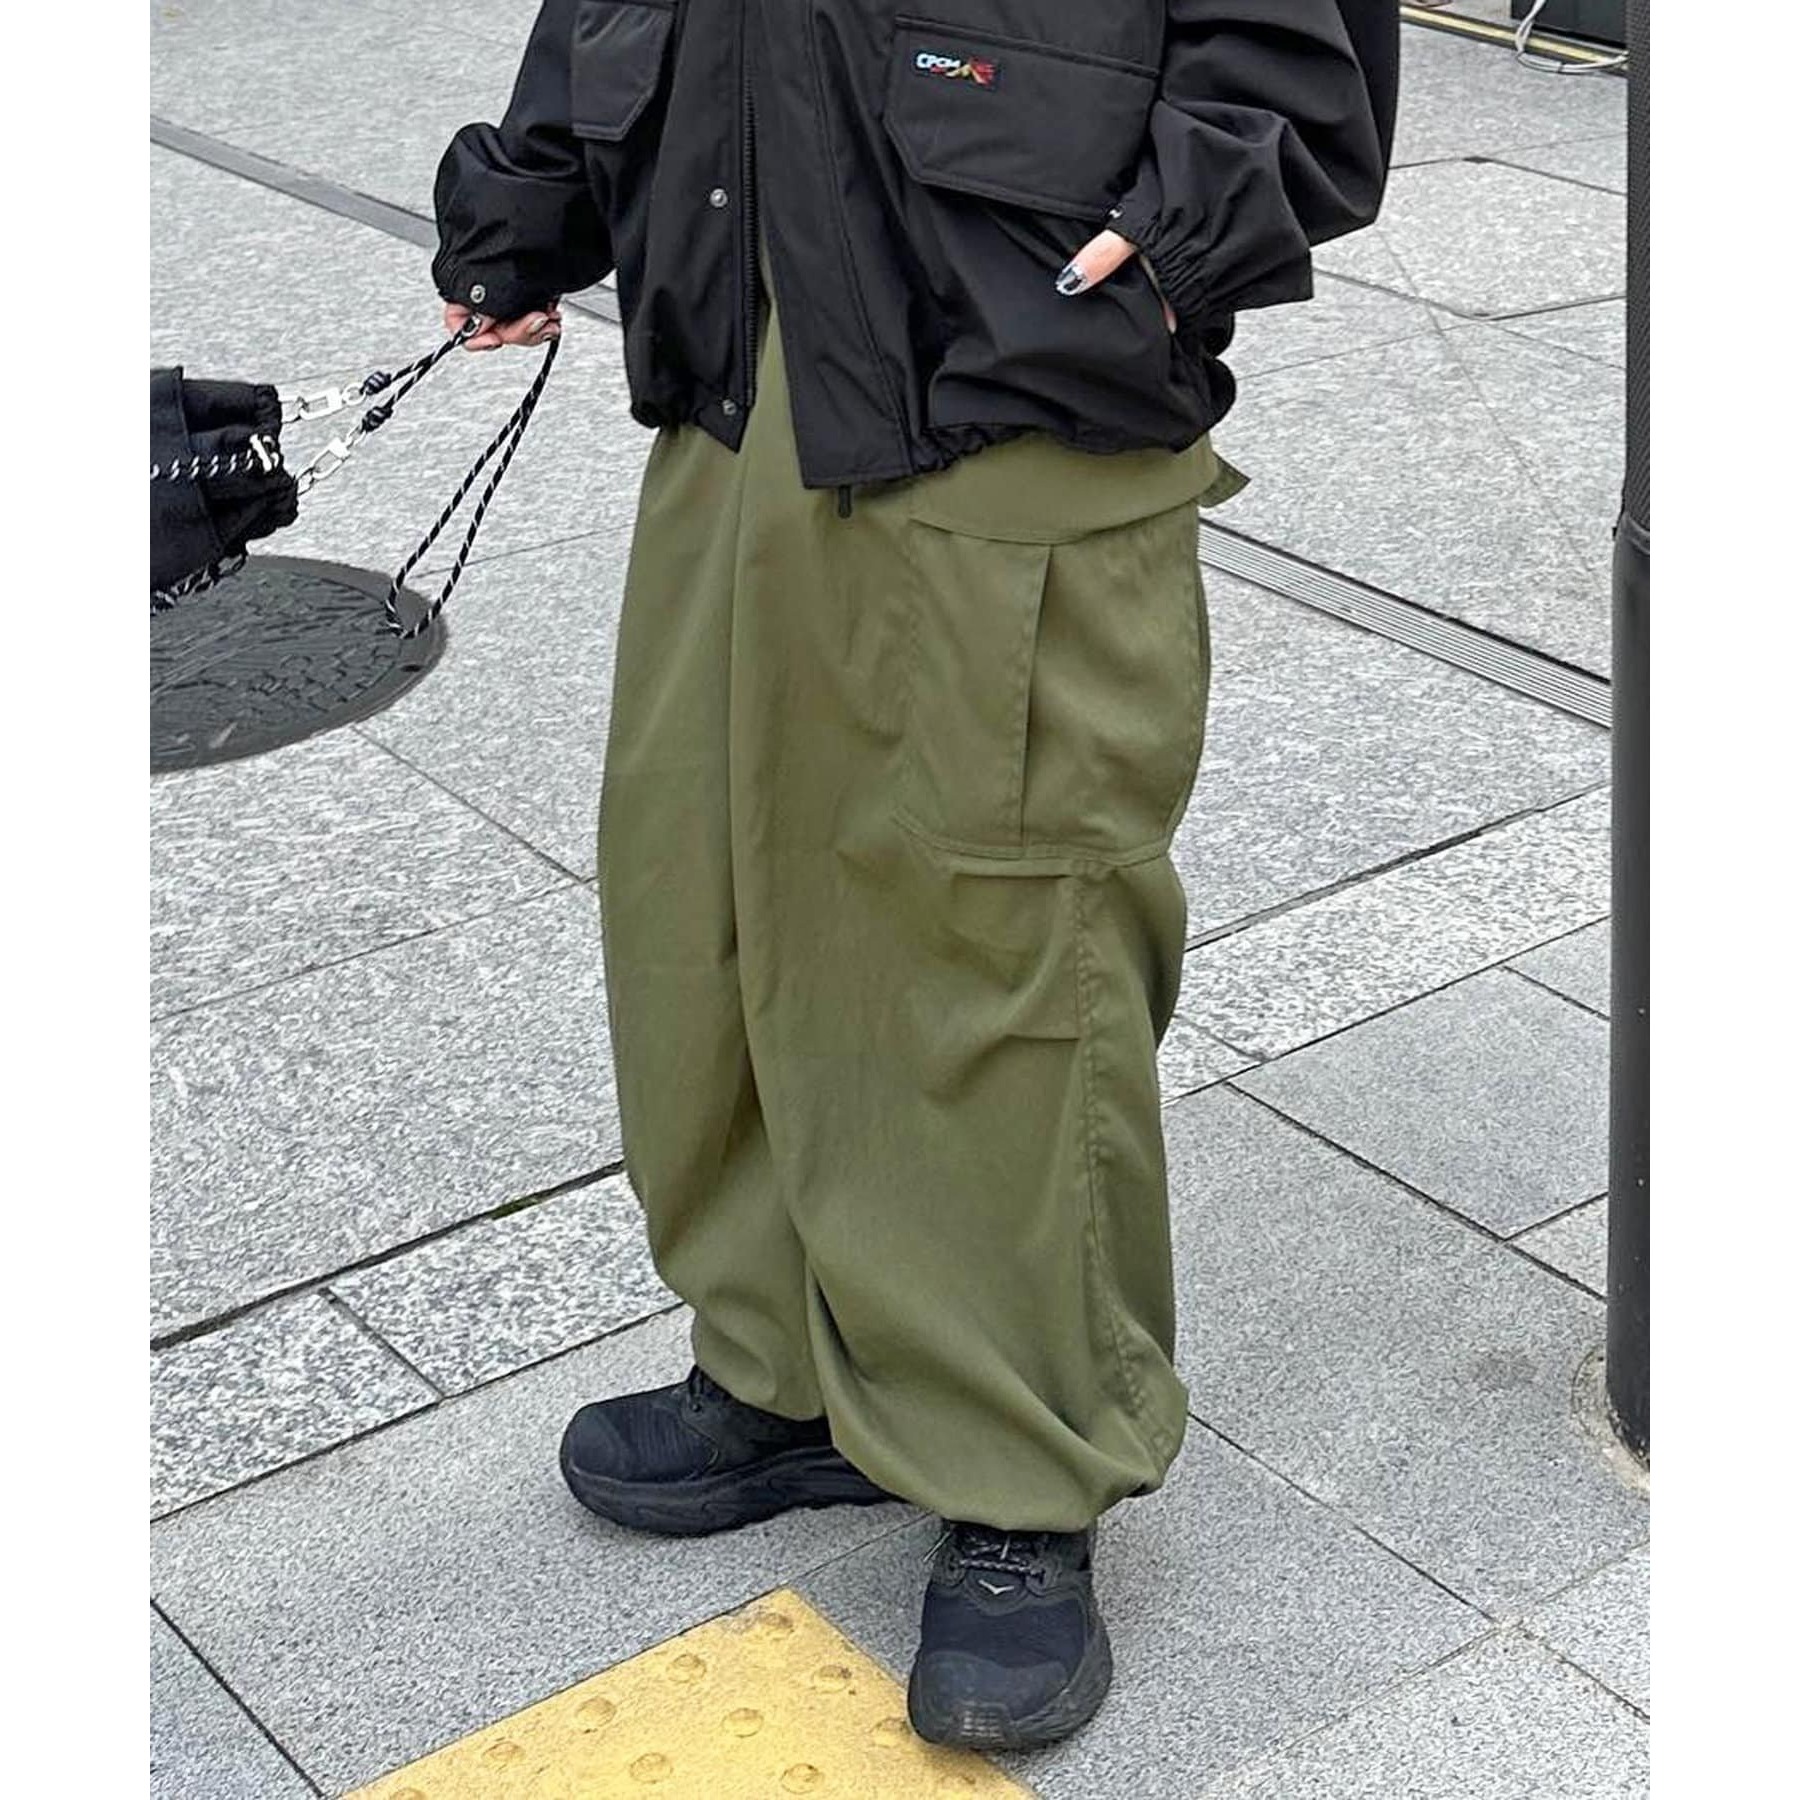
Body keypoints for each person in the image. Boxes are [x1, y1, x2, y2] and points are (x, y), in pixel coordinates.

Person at [433, 0, 1397, 1750]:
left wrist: (1182, 230)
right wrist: (535, 195)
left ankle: (1019, 1461)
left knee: (1000, 937)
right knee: (705, 903)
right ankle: (795, 1367)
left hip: (1007, 369)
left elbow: (1294, 53)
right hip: (738, 372)